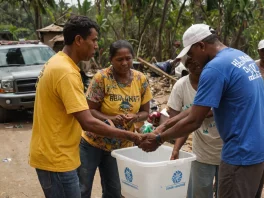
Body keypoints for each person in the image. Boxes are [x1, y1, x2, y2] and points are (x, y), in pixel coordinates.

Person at [139, 24, 264, 198]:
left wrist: (158, 139)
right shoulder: (241, 57)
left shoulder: (214, 68)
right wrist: (161, 128)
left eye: (191, 53)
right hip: (263, 148)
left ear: (201, 46)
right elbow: (200, 111)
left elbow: (194, 120)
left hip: (242, 152)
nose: (192, 59)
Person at [29, 16, 142, 198]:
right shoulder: (66, 72)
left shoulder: (58, 63)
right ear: (79, 40)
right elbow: (88, 122)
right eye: (94, 40)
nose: (97, 45)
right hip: (57, 159)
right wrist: (130, 136)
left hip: (55, 155)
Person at [78, 40, 152, 198]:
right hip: (93, 143)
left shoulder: (141, 80)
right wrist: (111, 118)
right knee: (82, 189)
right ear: (111, 59)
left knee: (115, 191)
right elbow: (89, 110)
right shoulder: (102, 79)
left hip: (121, 146)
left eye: (128, 58)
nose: (125, 63)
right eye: (120, 59)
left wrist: (135, 116)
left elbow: (146, 112)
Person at [167, 57, 222, 198]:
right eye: (189, 62)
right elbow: (183, 124)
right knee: (201, 192)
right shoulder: (181, 86)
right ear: (185, 65)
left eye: (197, 60)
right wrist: (176, 149)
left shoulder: (219, 81)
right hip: (202, 152)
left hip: (227, 151)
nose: (195, 65)